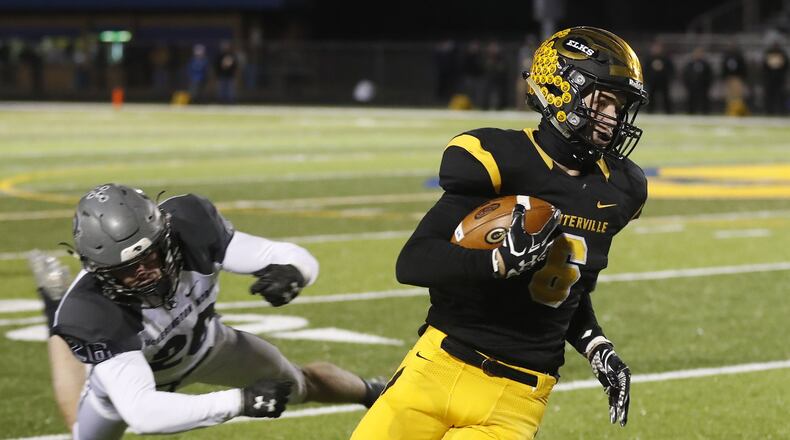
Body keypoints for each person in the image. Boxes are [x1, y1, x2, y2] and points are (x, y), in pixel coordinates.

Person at [352, 26, 648, 440]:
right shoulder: (499, 159)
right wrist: (497, 261)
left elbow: (566, 287)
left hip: (516, 398)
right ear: (562, 91)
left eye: (621, 106)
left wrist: (597, 345)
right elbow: (414, 261)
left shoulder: (619, 188)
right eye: (604, 101)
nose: (613, 118)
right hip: (436, 367)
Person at [32, 183, 385, 439]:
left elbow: (284, 254)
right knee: (84, 436)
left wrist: (292, 272)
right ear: (99, 271)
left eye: (148, 256)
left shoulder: (189, 225)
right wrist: (240, 401)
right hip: (142, 374)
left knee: (299, 384)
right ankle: (54, 307)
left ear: (164, 236)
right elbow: (143, 413)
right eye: (124, 270)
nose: (141, 273)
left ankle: (375, 392)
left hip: (210, 346)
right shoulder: (91, 310)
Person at [644, 40, 675, 113]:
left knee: (666, 97)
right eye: (655, 48)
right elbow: (645, 70)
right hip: (652, 82)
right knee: (651, 97)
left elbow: (671, 69)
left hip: (663, 81)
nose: (657, 50)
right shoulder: (649, 58)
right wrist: (647, 79)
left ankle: (669, 112)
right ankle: (650, 111)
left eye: (658, 48)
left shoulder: (665, 58)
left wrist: (668, 78)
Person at [683, 47, 713, 114]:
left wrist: (707, 84)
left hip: (703, 86)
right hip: (692, 86)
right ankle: (691, 113)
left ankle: (705, 114)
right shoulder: (690, 64)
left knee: (704, 101)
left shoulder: (705, 64)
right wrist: (688, 84)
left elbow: (710, 75)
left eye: (700, 53)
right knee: (691, 101)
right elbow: (685, 75)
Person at [762, 41, 788, 115]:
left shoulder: (782, 54)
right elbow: (765, 66)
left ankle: (781, 110)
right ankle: (769, 110)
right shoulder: (769, 53)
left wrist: (782, 75)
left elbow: (785, 65)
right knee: (770, 95)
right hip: (770, 78)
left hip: (779, 78)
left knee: (781, 94)